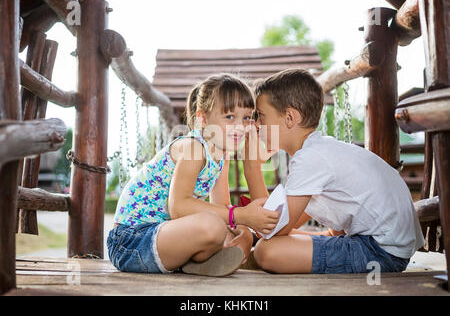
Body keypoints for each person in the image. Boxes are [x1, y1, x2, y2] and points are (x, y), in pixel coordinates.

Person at [243, 68, 425, 274]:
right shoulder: (319, 150)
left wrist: (251, 166)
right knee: (282, 241)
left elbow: (272, 228)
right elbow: (285, 221)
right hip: (389, 246)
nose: (257, 125)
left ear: (289, 118)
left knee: (267, 251)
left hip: (381, 252)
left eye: (261, 117)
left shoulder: (310, 158)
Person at [107, 73, 279, 277]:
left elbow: (221, 207)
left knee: (238, 231)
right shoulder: (193, 148)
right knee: (212, 225)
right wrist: (240, 215)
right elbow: (179, 207)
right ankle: (200, 258)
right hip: (131, 241)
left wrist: (242, 230)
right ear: (203, 118)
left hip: (165, 235)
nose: (241, 126)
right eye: (230, 117)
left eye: (247, 118)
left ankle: (199, 263)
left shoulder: (221, 155)